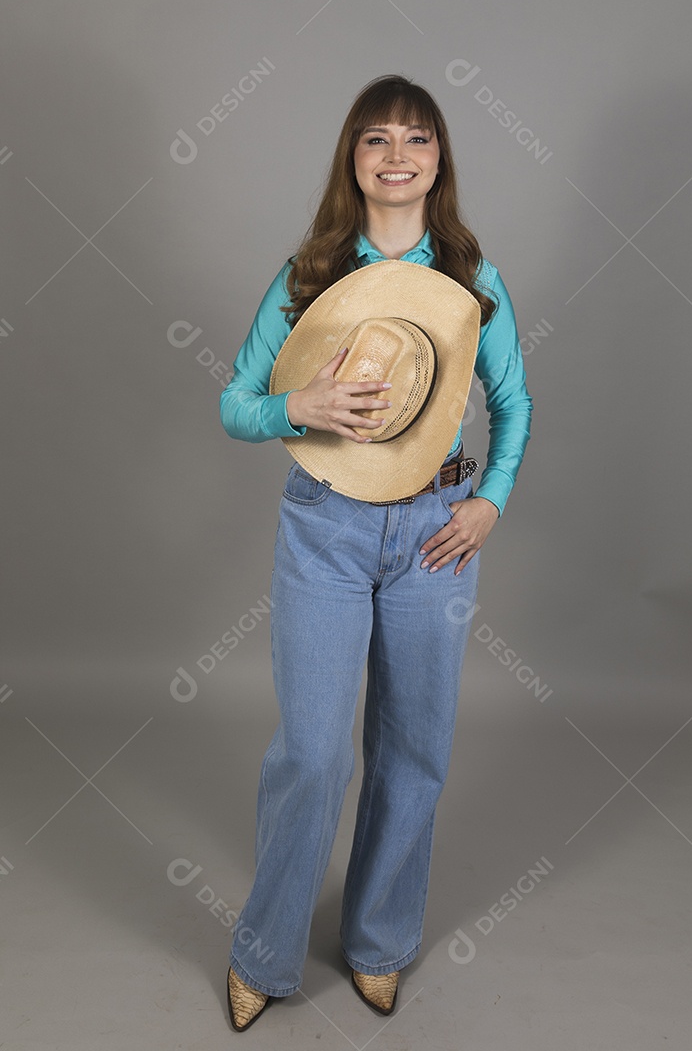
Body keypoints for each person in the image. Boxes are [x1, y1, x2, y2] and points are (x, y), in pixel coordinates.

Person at [219, 73, 533, 1032]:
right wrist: (296, 407)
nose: (398, 157)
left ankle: (380, 944)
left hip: (437, 536)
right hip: (326, 526)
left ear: (440, 160)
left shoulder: (473, 278)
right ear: (351, 159)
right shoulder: (309, 270)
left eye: (418, 139)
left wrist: (490, 503)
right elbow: (235, 403)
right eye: (376, 140)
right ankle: (264, 954)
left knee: (413, 751)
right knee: (312, 753)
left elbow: (513, 406)